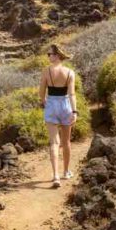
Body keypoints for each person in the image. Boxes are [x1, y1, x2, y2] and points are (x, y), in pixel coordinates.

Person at [39, 44, 77, 188]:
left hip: (51, 106)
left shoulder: (46, 72)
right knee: (66, 142)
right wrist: (74, 111)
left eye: (50, 54)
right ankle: (66, 172)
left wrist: (43, 102)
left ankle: (55, 176)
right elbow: (72, 94)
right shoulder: (69, 72)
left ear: (57, 55)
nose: (48, 56)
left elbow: (41, 92)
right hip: (66, 105)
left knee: (54, 142)